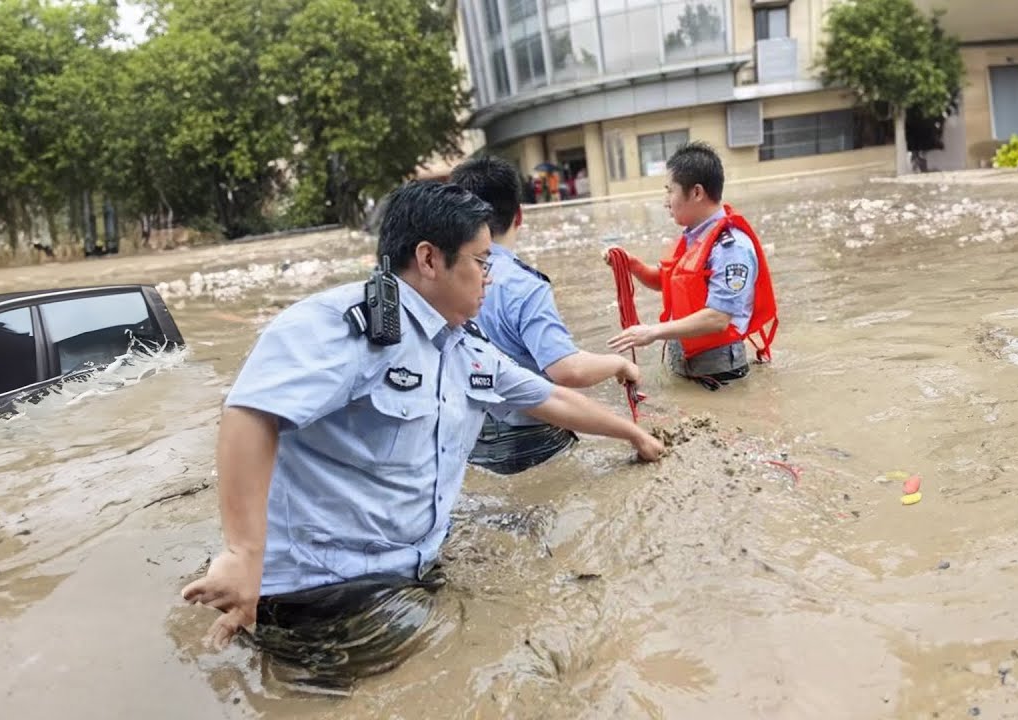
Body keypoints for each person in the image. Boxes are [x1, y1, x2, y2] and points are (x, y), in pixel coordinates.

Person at [180, 180, 664, 691]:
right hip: (329, 588)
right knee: (490, 661)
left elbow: (551, 398)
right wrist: (243, 554)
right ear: (429, 259)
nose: (489, 279)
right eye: (481, 262)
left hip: (406, 565)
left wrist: (633, 435)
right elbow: (249, 414)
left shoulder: (463, 346)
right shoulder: (346, 326)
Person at [450, 156, 640, 474]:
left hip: (467, 439)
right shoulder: (523, 285)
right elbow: (567, 371)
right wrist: (620, 364)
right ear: (519, 214)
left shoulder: (440, 278)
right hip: (531, 439)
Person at [602, 141, 778, 389]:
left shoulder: (731, 247)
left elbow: (718, 318)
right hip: (685, 360)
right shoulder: (693, 237)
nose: (666, 201)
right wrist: (629, 264)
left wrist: (652, 332)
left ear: (696, 192)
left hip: (718, 371)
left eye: (669, 191)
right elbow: (665, 281)